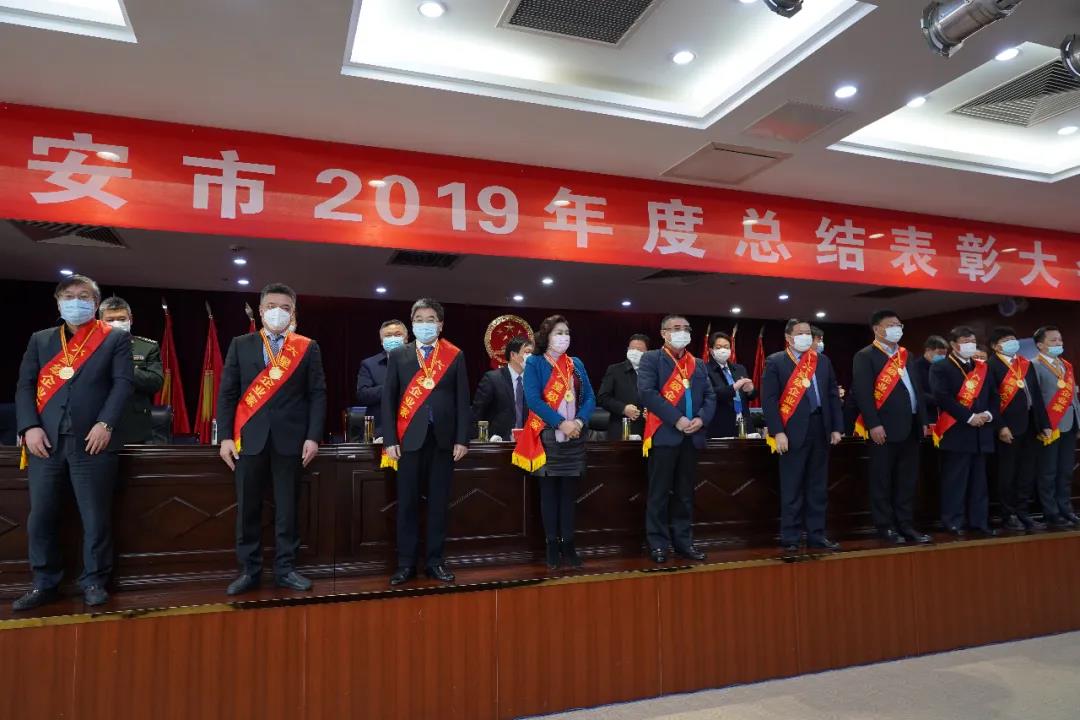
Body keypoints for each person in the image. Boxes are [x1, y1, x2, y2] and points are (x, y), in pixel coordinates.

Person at [12, 275, 133, 610]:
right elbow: (25, 386)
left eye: (83, 296)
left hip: (93, 440)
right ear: (58, 302)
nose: (75, 302)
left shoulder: (114, 338)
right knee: (41, 516)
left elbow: (122, 384)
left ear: (95, 303)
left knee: (95, 516)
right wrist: (29, 426)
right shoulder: (41, 340)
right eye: (68, 296)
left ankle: (94, 580)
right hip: (45, 442)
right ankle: (44, 583)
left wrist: (106, 424)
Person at [217, 283, 327, 595]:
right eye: (272, 306)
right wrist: (225, 437)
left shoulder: (307, 347)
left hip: (291, 440)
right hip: (248, 439)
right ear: (261, 310)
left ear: (293, 313)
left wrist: (313, 437)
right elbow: (227, 394)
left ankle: (285, 569)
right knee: (248, 509)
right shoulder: (241, 344)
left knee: (287, 509)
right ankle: (249, 571)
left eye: (285, 307)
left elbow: (317, 394)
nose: (278, 312)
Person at [382, 298, 470, 585]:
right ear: (412, 324)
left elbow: (462, 400)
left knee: (438, 504)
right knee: (407, 503)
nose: (424, 324)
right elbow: (388, 400)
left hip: (443, 441)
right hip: (408, 440)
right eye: (419, 319)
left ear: (440, 324)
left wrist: (462, 438)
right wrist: (390, 439)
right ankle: (406, 564)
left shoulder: (454, 355)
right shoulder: (399, 355)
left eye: (430, 319)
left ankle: (435, 562)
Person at [513, 317, 595, 569]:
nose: (564, 337)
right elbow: (534, 400)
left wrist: (578, 421)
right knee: (549, 495)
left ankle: (568, 544)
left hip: (575, 437)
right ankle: (551, 545)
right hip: (548, 436)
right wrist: (561, 423)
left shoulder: (575, 363)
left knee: (569, 495)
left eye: (567, 332)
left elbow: (590, 397)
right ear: (546, 336)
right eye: (558, 332)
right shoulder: (535, 362)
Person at [761, 319, 843, 553]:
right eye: (800, 333)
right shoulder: (776, 361)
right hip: (791, 431)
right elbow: (769, 401)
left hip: (820, 427)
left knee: (818, 487)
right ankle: (791, 537)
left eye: (808, 332)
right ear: (788, 337)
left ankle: (817, 535)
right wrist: (778, 432)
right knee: (792, 487)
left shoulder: (822, 361)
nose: (806, 336)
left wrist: (836, 427)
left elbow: (832, 394)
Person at [638, 315, 716, 563]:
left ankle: (684, 543)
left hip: (692, 437)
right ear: (664, 333)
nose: (682, 332)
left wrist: (701, 419)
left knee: (685, 494)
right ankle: (658, 544)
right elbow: (647, 393)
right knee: (659, 493)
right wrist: (677, 419)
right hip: (665, 435)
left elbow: (710, 396)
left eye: (686, 329)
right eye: (676, 328)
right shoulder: (651, 359)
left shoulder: (698, 363)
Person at [851, 310, 931, 545]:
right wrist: (873, 424)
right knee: (882, 481)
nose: (897, 329)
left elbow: (916, 390)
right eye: (891, 325)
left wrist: (923, 420)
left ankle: (906, 525)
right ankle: (885, 527)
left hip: (911, 427)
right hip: (883, 429)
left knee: (907, 481)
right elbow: (863, 393)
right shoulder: (865, 356)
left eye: (899, 324)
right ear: (877, 329)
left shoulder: (907, 355)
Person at [929, 326, 996, 537]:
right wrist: (969, 417)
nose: (970, 345)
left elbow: (994, 395)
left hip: (981, 433)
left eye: (972, 341)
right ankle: (953, 522)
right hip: (956, 431)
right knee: (955, 481)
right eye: (966, 341)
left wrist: (988, 414)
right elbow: (942, 397)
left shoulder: (982, 367)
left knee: (979, 483)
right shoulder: (941, 367)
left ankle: (979, 522)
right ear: (953, 344)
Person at [987, 326, 1050, 532]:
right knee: (1007, 473)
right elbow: (990, 400)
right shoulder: (990, 366)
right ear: (995, 346)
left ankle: (1024, 513)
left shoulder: (1024, 363)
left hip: (1030, 424)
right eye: (1006, 340)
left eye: (1013, 339)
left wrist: (1045, 424)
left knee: (1026, 472)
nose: (1012, 343)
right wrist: (1001, 426)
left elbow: (1037, 396)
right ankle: (1009, 515)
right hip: (1008, 428)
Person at [1032, 326, 1080, 529]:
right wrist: (1043, 424)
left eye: (1060, 339)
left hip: (1070, 424)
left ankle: (1066, 509)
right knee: (1048, 472)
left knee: (1065, 471)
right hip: (1050, 426)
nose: (1059, 343)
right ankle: (1051, 512)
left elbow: (1073, 397)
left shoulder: (1066, 365)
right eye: (1053, 340)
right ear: (1040, 345)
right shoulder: (1034, 365)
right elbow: (1035, 400)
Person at [98, 297, 163, 445]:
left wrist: (124, 369)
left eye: (121, 319)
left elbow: (155, 382)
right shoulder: (88, 348)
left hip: (133, 425)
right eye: (110, 320)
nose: (116, 323)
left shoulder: (147, 347)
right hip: (96, 420)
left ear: (131, 319)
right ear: (100, 321)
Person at [472, 336, 532, 441]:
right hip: (498, 442)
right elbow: (477, 413)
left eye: (533, 353)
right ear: (513, 355)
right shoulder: (493, 379)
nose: (531, 357)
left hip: (527, 442)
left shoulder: (533, 381)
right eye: (527, 352)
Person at [356, 319, 408, 439]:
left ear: (406, 339)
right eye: (388, 336)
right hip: (381, 432)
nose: (393, 338)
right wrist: (390, 387)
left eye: (398, 334)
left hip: (412, 430)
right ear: (381, 341)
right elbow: (363, 395)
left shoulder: (418, 362)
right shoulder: (369, 364)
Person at [597, 333, 649, 440]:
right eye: (632, 349)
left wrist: (652, 412)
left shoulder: (652, 372)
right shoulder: (615, 370)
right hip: (621, 430)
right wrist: (623, 408)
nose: (635, 352)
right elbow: (602, 398)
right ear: (627, 349)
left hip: (647, 430)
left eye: (639, 350)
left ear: (647, 353)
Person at [705, 330, 756, 438]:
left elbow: (751, 396)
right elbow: (712, 393)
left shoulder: (739, 368)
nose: (723, 350)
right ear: (711, 350)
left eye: (726, 347)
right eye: (718, 347)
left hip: (744, 422)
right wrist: (733, 387)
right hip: (721, 425)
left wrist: (750, 390)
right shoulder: (705, 370)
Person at [910, 335, 949, 422]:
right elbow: (917, 392)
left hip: (943, 413)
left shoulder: (944, 367)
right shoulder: (915, 367)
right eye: (939, 353)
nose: (943, 356)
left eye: (944, 354)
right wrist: (940, 400)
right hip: (925, 414)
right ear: (928, 350)